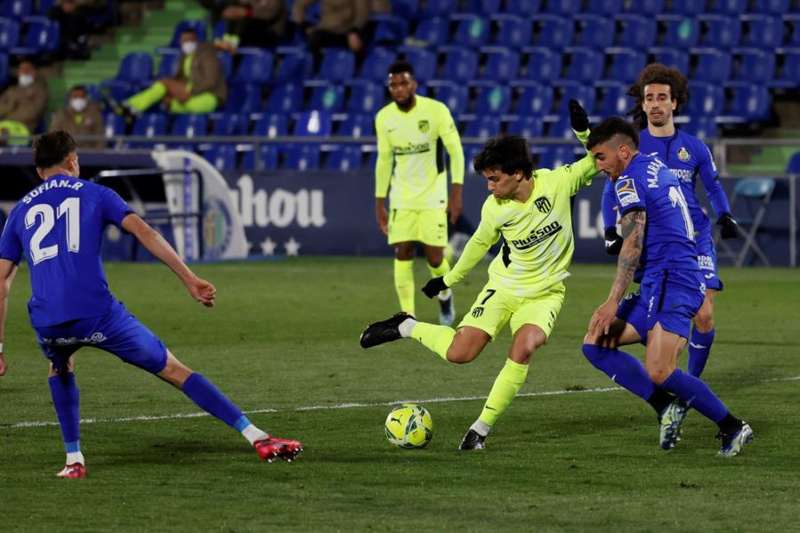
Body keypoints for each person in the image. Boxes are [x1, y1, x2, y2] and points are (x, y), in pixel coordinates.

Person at [0, 131, 302, 478]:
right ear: (73, 161)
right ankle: (257, 436)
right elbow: (145, 233)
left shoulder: (19, 211)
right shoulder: (97, 194)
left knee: (60, 365)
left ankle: (73, 460)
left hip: (48, 322)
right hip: (99, 316)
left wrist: (0, 346)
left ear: (39, 171)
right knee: (174, 370)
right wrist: (189, 278)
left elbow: (2, 283)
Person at [361, 103, 597, 450]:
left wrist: (584, 133)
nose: (489, 187)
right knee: (460, 353)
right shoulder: (494, 209)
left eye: (494, 178)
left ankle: (479, 430)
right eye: (487, 179)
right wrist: (448, 281)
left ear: (519, 173)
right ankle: (405, 326)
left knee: (525, 345)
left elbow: (596, 160)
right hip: (502, 287)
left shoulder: (559, 183)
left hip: (545, 293)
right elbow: (477, 244)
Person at [581, 117, 752, 457]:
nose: (598, 166)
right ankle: (666, 407)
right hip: (661, 279)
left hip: (674, 278)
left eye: (601, 157)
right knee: (594, 343)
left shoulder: (627, 179)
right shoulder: (654, 165)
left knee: (659, 369)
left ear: (623, 151)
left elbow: (632, 243)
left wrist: (613, 300)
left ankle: (732, 426)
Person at [598, 64, 739, 432]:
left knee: (705, 314)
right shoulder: (632, 147)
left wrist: (724, 214)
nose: (656, 104)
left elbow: (712, 184)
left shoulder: (693, 147)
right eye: (649, 98)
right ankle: (677, 385)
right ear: (642, 105)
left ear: (674, 103)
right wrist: (609, 231)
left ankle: (690, 383)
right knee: (659, 321)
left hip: (695, 238)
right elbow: (608, 189)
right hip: (656, 245)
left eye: (662, 97)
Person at [373, 60, 464, 325]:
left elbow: (455, 151)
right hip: (401, 196)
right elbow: (384, 160)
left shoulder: (435, 111)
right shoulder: (384, 118)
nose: (399, 89)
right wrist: (379, 201)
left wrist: (456, 191)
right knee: (402, 251)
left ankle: (445, 294)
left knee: (435, 258)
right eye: (393, 84)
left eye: (403, 83)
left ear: (413, 84)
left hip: (433, 195)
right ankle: (408, 315)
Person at [120, 29, 226, 116]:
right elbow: (181, 79)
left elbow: (210, 81)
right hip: (187, 95)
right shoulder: (184, 57)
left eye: (189, 40)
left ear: (196, 40)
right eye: (184, 41)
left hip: (208, 96)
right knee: (161, 87)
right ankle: (131, 107)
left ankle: (132, 106)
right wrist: (174, 92)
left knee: (165, 86)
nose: (186, 43)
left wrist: (190, 92)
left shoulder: (207, 54)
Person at [291, 0, 370, 63]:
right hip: (326, 29)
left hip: (348, 30)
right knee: (313, 40)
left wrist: (354, 31)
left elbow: (362, 13)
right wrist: (303, 25)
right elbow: (299, 5)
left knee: (357, 43)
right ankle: (317, 71)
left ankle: (356, 71)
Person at [0, 60, 48, 145]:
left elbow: (32, 113)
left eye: (27, 70)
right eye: (22, 70)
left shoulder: (40, 91)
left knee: (4, 135)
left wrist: (9, 114)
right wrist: (12, 103)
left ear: (34, 72)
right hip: (4, 124)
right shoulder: (12, 90)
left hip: (24, 127)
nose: (24, 72)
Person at [215, 0, 287, 52]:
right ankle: (229, 42)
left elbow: (270, 14)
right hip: (250, 29)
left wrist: (246, 12)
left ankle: (231, 43)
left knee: (241, 15)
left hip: (271, 32)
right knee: (234, 9)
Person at [49, 85, 106, 149]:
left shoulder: (94, 114)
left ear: (86, 98)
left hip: (88, 152)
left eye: (81, 97)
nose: (78, 99)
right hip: (66, 152)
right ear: (70, 98)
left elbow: (100, 137)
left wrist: (97, 154)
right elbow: (53, 135)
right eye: (75, 97)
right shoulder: (61, 114)